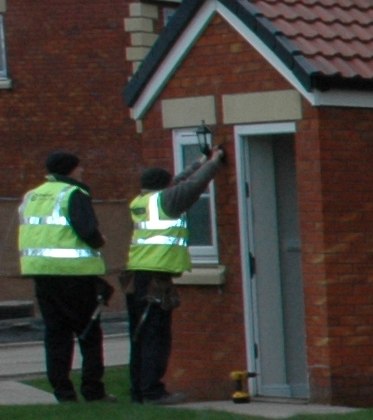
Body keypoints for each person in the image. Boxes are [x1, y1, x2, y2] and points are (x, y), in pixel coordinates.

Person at [122, 148, 222, 403]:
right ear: (164, 186)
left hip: (138, 276)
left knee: (140, 335)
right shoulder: (165, 201)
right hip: (155, 277)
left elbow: (179, 181)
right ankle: (152, 392)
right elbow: (193, 186)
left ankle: (139, 391)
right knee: (156, 336)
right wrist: (214, 163)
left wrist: (200, 161)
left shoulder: (142, 201)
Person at [20, 149, 110, 402]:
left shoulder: (32, 195)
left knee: (56, 334)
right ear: (71, 169)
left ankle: (63, 392)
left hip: (41, 273)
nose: (82, 171)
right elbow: (88, 231)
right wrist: (100, 241)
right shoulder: (73, 193)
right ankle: (93, 390)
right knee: (88, 333)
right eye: (79, 167)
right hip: (74, 274)